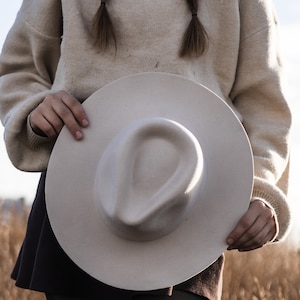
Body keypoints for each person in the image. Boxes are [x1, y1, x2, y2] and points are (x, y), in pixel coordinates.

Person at [0, 0, 292, 299]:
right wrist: (34, 108)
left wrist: (262, 190)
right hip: (79, 197)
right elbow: (17, 70)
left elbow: (265, 108)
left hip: (196, 206)